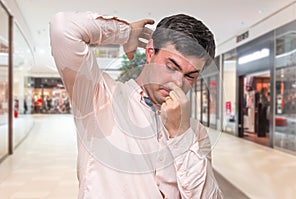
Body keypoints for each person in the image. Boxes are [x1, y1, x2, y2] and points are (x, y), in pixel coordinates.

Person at [50, 11, 222, 199]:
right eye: (171, 67)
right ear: (150, 53)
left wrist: (180, 135)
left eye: (190, 76)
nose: (178, 83)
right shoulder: (99, 97)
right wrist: (126, 33)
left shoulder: (195, 133)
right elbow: (63, 28)